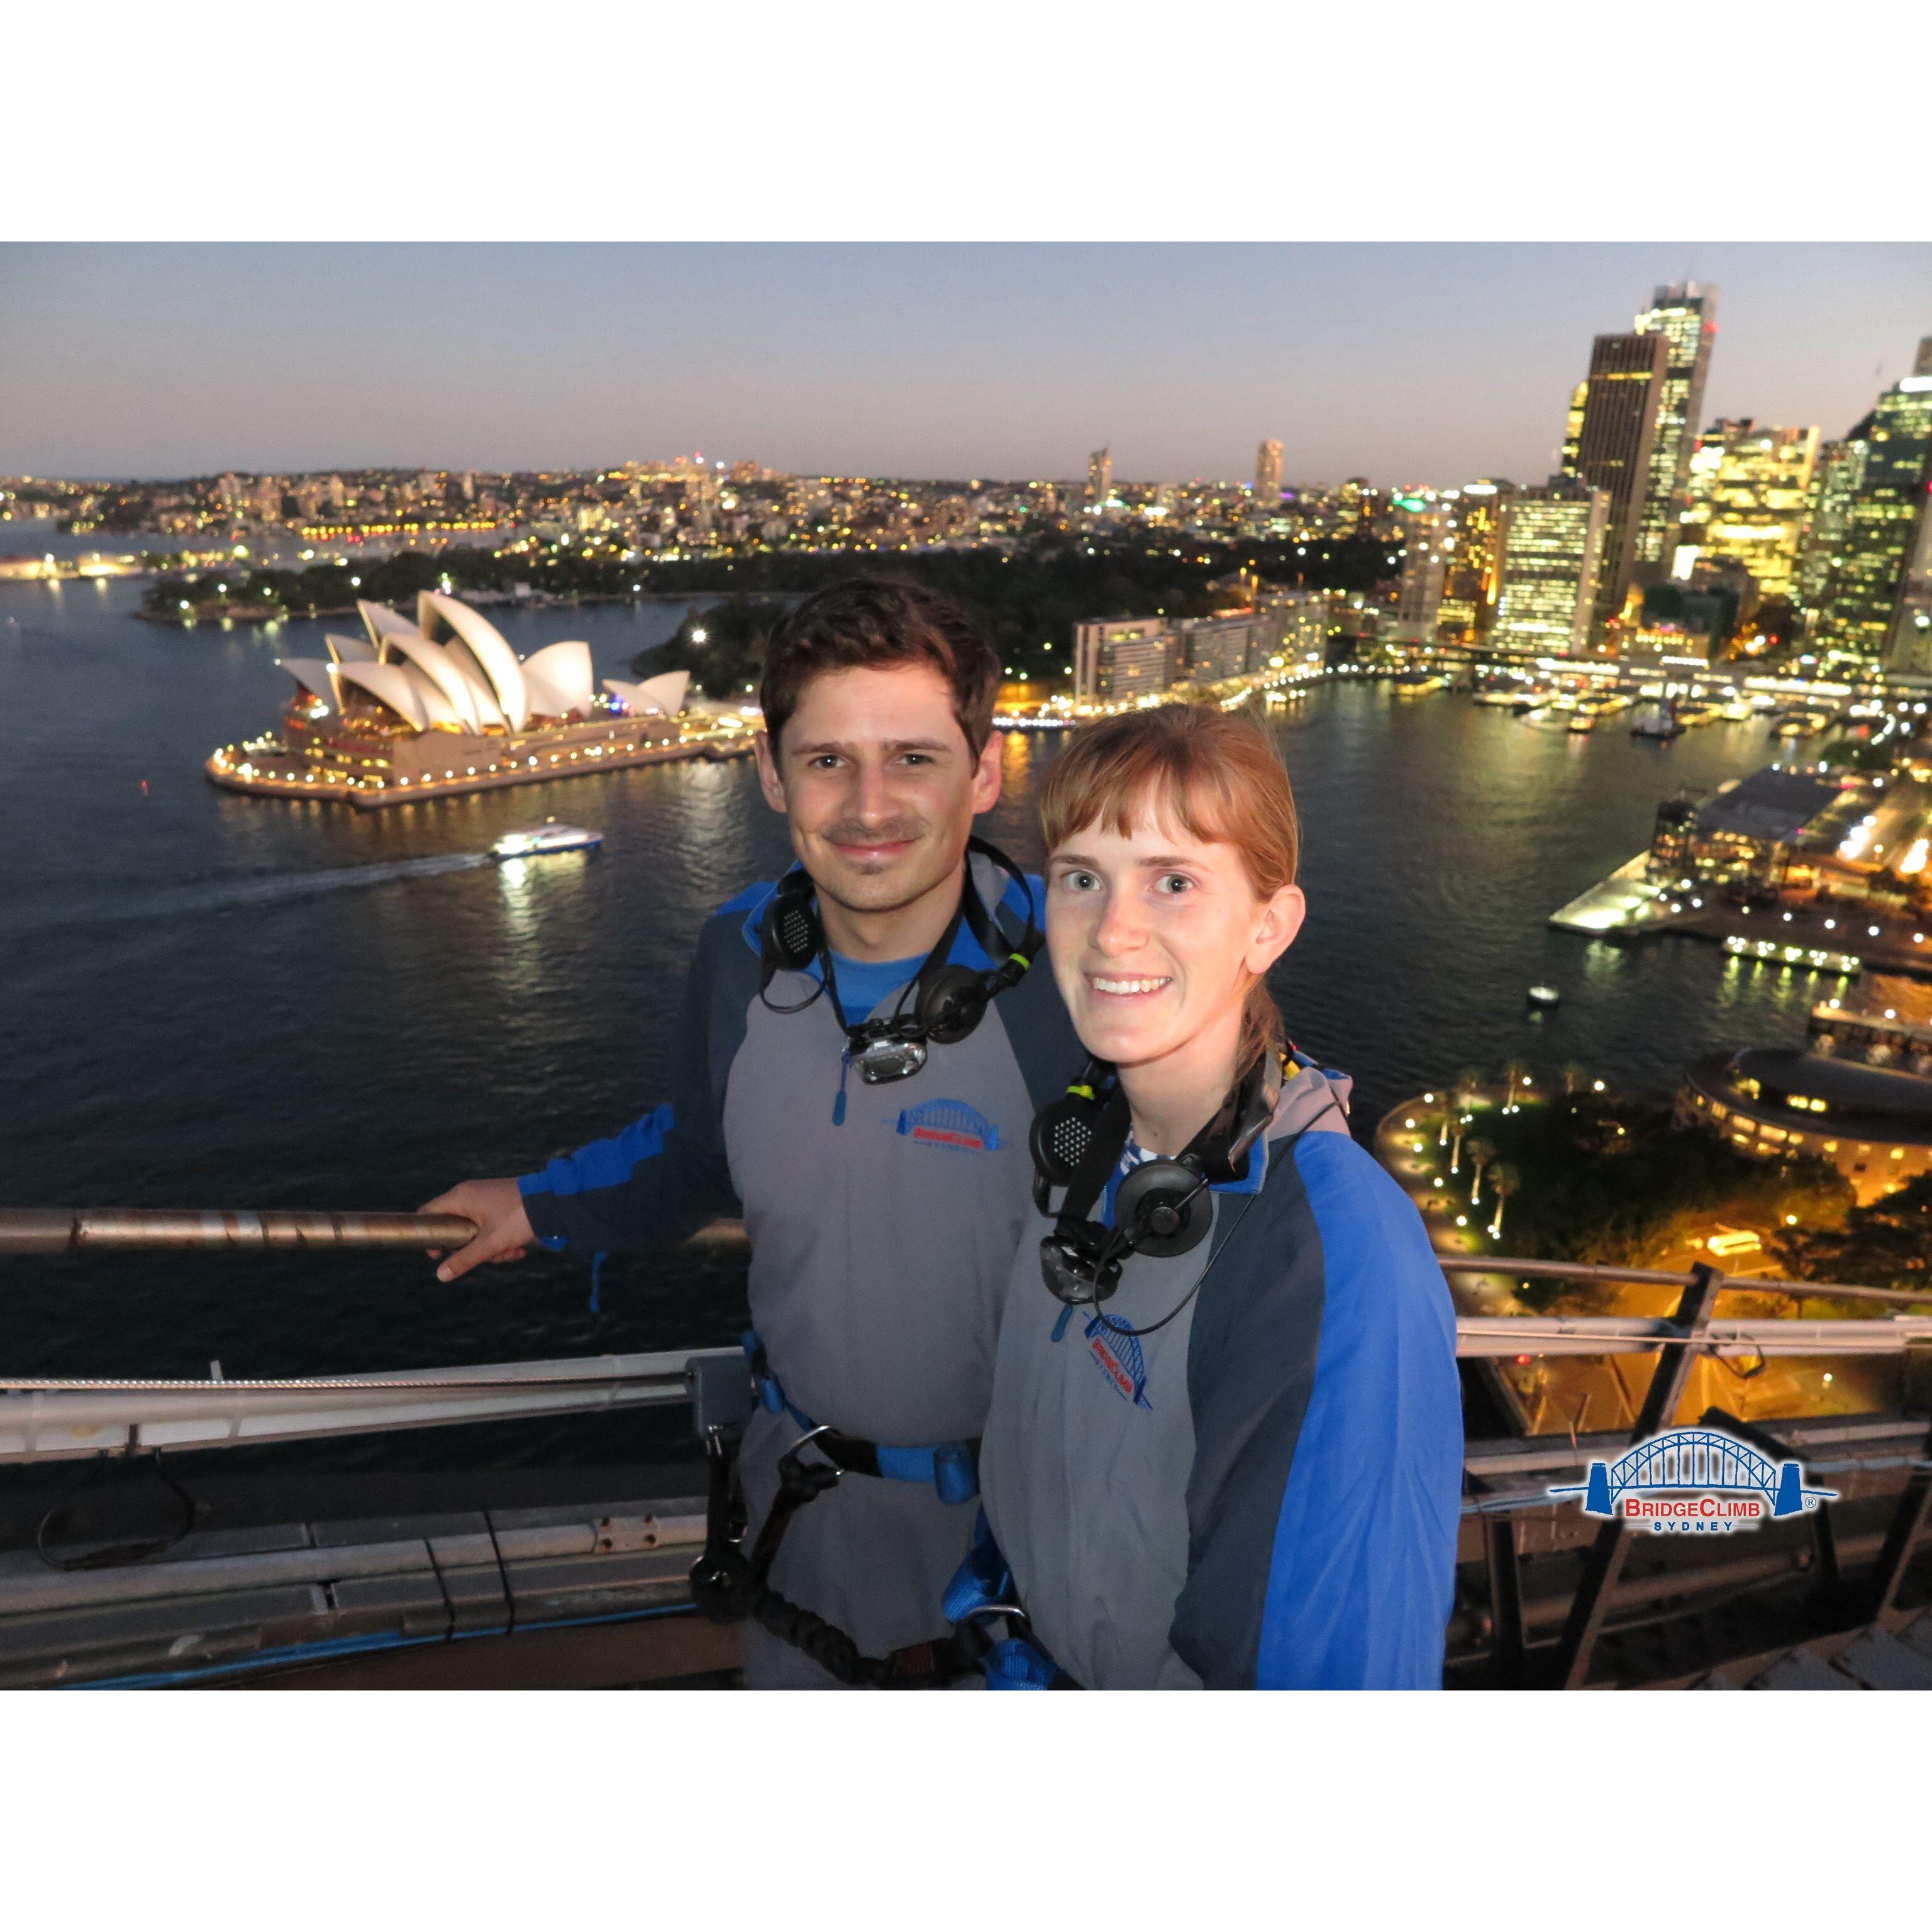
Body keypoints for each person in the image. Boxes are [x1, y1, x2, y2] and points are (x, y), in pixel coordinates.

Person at [423, 579, 1079, 1687]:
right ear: (772, 773)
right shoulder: (738, 952)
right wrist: (542, 1201)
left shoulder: (1082, 982)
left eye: (914, 757)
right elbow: (698, 1150)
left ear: (988, 767)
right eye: (829, 760)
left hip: (1025, 1542)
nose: (870, 805)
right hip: (797, 1514)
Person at [952, 703, 1463, 1689]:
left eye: (1174, 881)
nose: (1113, 932)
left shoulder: (1332, 1253)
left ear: (1267, 928)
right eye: (1081, 878)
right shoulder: (1087, 1154)